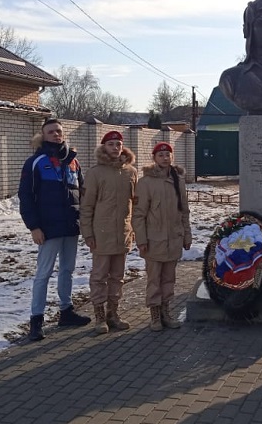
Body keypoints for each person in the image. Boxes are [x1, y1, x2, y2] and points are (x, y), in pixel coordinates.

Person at [18, 118, 91, 341]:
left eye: (59, 131)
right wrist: (34, 227)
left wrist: (85, 221)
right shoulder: (35, 162)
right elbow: (26, 197)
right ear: (43, 135)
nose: (56, 135)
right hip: (48, 228)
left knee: (67, 270)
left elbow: (83, 193)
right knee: (43, 274)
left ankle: (66, 312)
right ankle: (36, 320)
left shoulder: (73, 162)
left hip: (71, 226)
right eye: (51, 132)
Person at [80, 130, 137, 335]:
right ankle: (100, 317)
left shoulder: (130, 172)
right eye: (111, 144)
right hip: (101, 234)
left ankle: (114, 314)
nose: (115, 147)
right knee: (99, 276)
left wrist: (134, 231)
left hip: (122, 233)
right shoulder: (95, 173)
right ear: (104, 147)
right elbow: (86, 206)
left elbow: (135, 204)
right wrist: (88, 233)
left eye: (118, 144)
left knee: (117, 277)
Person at [132, 142, 192, 331]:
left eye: (168, 155)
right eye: (161, 155)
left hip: (174, 239)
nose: (165, 158)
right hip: (153, 241)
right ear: (154, 158)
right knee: (154, 280)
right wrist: (141, 240)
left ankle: (166, 311)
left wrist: (187, 235)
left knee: (169, 279)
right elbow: (139, 214)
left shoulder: (178, 180)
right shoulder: (146, 182)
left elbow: (184, 211)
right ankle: (155, 316)